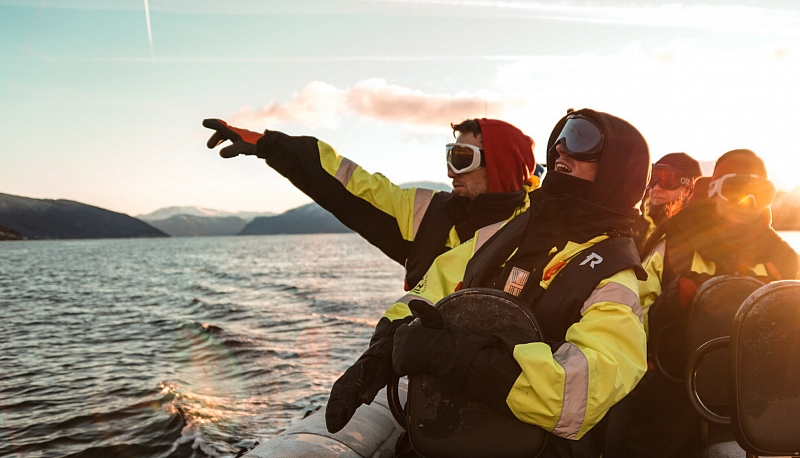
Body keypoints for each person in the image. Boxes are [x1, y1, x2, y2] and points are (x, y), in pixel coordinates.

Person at [325, 109, 651, 458]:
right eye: (560, 137)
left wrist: (452, 355)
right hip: (448, 434)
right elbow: (434, 286)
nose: (561, 148)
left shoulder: (616, 277)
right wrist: (382, 349)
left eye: (581, 140)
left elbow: (575, 395)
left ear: (618, 168)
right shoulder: (504, 232)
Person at [203, 117, 540, 291]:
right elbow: (347, 181)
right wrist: (269, 145)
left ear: (502, 165)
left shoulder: (540, 235)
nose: (451, 170)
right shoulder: (425, 212)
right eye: (450, 156)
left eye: (463, 158)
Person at [615, 149, 798, 458]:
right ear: (713, 190)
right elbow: (628, 317)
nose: (747, 201)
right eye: (735, 189)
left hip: (758, 400)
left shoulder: (782, 258)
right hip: (674, 394)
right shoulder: (675, 242)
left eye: (759, 193)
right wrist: (672, 304)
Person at [633, 153, 703, 249]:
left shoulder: (695, 235)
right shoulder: (634, 227)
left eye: (668, 180)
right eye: (652, 179)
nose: (656, 188)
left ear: (688, 188)